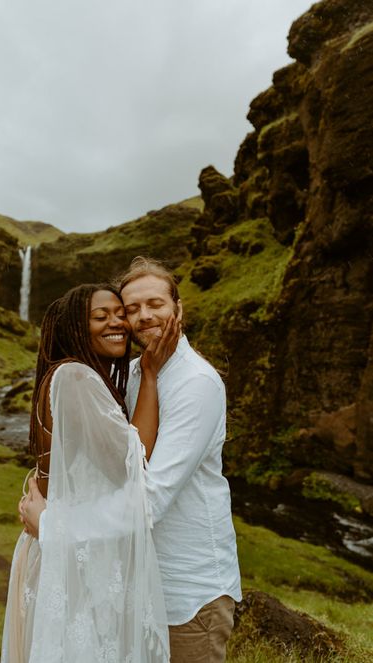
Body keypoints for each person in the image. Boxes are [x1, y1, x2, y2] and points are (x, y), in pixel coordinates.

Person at [1, 283, 178, 663]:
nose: (117, 323)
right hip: (72, 556)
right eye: (101, 317)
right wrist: (149, 374)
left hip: (64, 545)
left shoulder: (68, 376)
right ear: (75, 329)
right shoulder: (77, 378)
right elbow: (134, 460)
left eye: (120, 314)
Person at [118, 257, 242, 663]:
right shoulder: (135, 373)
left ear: (178, 308)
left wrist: (55, 524)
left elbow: (149, 500)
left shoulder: (196, 382)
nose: (143, 315)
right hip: (140, 582)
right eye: (131, 308)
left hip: (188, 589)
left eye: (155, 303)